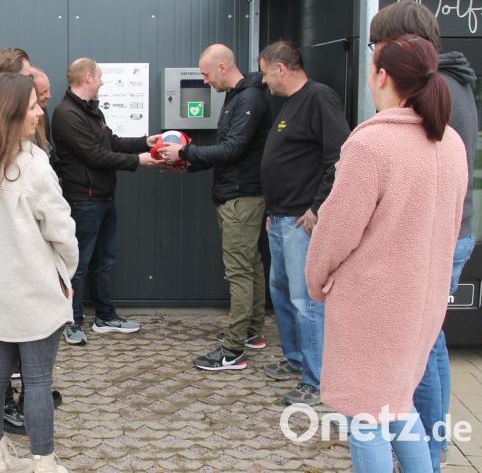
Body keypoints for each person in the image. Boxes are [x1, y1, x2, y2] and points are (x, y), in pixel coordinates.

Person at [307, 33, 466, 473]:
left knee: (368, 418)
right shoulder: (449, 142)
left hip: (372, 304)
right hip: (421, 301)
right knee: (398, 405)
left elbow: (335, 231)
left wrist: (317, 280)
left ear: (382, 75)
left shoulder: (370, 145)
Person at [369, 0, 479, 472]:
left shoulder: (440, 90)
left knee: (421, 349)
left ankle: (426, 452)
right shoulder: (450, 83)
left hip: (437, 237)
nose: (376, 57)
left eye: (378, 45)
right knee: (426, 345)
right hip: (446, 233)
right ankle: (426, 449)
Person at [0, 73, 78, 473]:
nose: (39, 112)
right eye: (32, 106)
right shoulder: (32, 164)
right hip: (34, 291)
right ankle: (43, 462)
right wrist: (67, 274)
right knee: (39, 380)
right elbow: (62, 232)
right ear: (10, 114)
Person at [157, 44, 272, 371]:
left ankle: (233, 349)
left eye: (206, 75)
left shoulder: (248, 98)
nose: (205, 82)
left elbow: (232, 149)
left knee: (239, 270)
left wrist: (186, 155)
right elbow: (229, 150)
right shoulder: (239, 96)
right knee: (251, 264)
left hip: (240, 198)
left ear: (223, 67)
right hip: (240, 192)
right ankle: (251, 332)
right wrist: (187, 164)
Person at [257, 41, 349, 405]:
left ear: (281, 68)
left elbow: (339, 156)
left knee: (305, 299)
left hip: (301, 222)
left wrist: (318, 207)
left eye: (265, 73)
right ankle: (295, 360)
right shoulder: (290, 103)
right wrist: (272, 209)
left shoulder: (319, 98)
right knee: (280, 291)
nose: (264, 81)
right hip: (279, 218)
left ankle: (317, 381)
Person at [50, 58, 162, 345]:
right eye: (99, 76)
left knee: (105, 261)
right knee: (79, 263)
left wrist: (145, 142)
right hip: (84, 199)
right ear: (87, 77)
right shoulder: (66, 113)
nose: (102, 81)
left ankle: (105, 316)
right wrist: (139, 161)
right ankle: (71, 321)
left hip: (103, 197)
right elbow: (94, 156)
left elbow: (110, 142)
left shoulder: (91, 111)